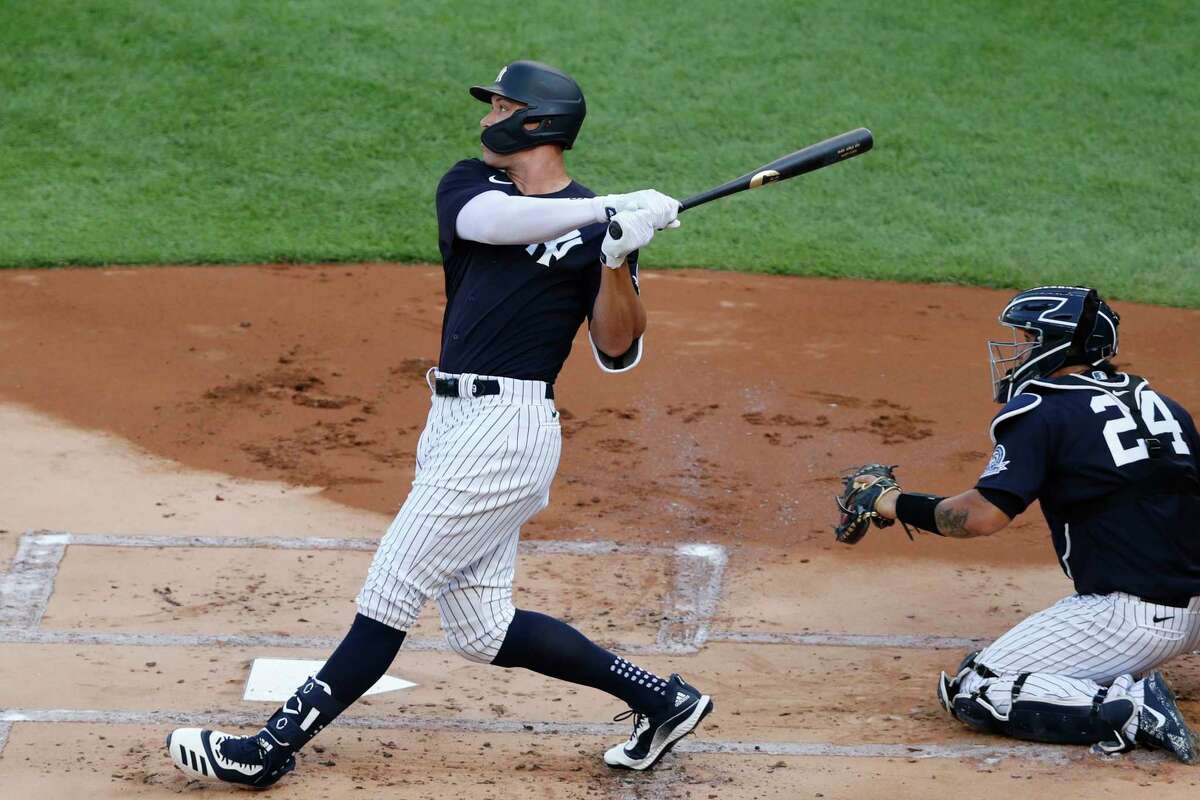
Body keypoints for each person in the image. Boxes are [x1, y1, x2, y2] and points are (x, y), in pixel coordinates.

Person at [166, 59, 713, 787]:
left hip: (508, 431)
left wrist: (615, 258)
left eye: (499, 107)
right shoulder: (474, 185)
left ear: (535, 121)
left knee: (392, 587)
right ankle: (662, 699)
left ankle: (266, 750)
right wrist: (604, 209)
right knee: (482, 628)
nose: (486, 118)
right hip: (451, 423)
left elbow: (617, 349)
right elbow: (486, 225)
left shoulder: (600, 227)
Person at [836, 285, 1200, 762]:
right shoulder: (1164, 406)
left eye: (1029, 338)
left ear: (1057, 344)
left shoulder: (1043, 410)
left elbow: (978, 517)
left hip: (1132, 620)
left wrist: (890, 502)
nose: (1020, 350)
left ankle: (1131, 707)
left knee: (978, 686)